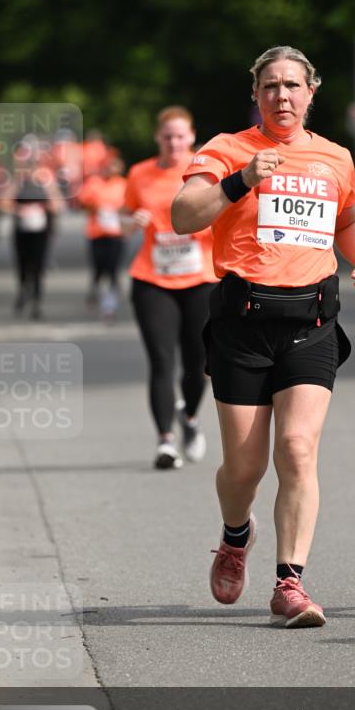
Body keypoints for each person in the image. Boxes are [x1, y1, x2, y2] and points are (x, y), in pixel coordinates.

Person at [172, 45, 355, 627]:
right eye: (270, 87)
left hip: (311, 324)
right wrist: (241, 180)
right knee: (244, 469)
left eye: (292, 85)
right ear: (256, 95)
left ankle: (290, 584)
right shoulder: (227, 149)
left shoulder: (335, 157)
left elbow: (347, 218)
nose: (281, 96)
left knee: (297, 449)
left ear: (312, 91)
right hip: (242, 325)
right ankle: (236, 535)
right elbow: (184, 215)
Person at [122, 107, 216, 469]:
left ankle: (189, 418)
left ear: (191, 137)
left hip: (200, 279)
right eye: (167, 136)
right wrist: (132, 222)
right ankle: (165, 441)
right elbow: (123, 215)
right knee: (161, 361)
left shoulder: (206, 171)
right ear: (157, 139)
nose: (174, 142)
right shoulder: (140, 173)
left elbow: (227, 214)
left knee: (200, 363)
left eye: (180, 136)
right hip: (152, 279)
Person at [0, 142, 65, 319]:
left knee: (38, 266)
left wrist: (43, 207)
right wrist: (19, 210)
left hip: (40, 231)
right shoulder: (18, 181)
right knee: (22, 264)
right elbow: (4, 203)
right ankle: (22, 292)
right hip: (21, 230)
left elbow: (58, 204)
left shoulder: (45, 180)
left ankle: (36, 302)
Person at [78, 157, 127, 320]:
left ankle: (109, 307)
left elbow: (131, 206)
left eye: (115, 166)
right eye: (109, 166)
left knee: (113, 270)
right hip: (97, 233)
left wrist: (119, 211)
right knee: (98, 269)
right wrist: (97, 207)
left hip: (116, 234)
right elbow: (82, 203)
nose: (112, 170)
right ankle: (94, 292)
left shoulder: (123, 184)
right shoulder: (94, 183)